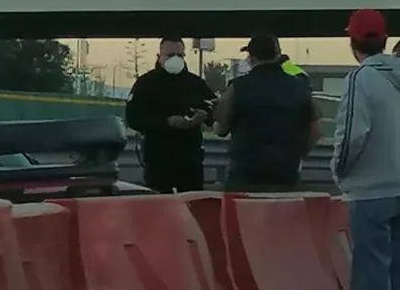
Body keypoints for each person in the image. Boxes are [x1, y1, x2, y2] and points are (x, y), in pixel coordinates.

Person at [331, 8, 400, 290]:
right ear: (384, 39)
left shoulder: (361, 80)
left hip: (371, 189)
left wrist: (339, 172)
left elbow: (351, 136)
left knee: (371, 267)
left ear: (353, 41)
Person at [213, 33, 320, 191]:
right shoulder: (299, 87)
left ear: (251, 57)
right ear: (278, 55)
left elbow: (221, 127)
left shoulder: (237, 87)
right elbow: (315, 131)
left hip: (245, 175)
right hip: (285, 174)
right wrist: (298, 154)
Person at [125, 36, 217, 193]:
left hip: (190, 161)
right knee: (159, 208)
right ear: (159, 57)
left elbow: (213, 108)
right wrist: (167, 122)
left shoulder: (195, 83)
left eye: (180, 55)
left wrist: (204, 115)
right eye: (170, 55)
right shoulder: (146, 83)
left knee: (193, 207)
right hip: (158, 160)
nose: (176, 59)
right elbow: (133, 118)